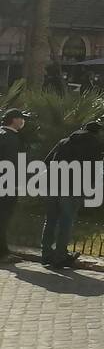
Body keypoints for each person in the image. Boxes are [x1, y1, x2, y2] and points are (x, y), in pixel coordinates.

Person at [40, 123, 104, 268]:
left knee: (50, 220)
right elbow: (95, 169)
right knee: (66, 221)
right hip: (73, 188)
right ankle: (60, 256)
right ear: (97, 133)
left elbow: (46, 161)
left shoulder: (64, 141)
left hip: (53, 185)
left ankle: (46, 254)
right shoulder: (94, 144)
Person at [0, 108, 31, 260]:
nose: (23, 121)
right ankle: (2, 253)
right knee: (3, 218)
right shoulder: (12, 138)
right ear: (14, 120)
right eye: (21, 118)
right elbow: (13, 164)